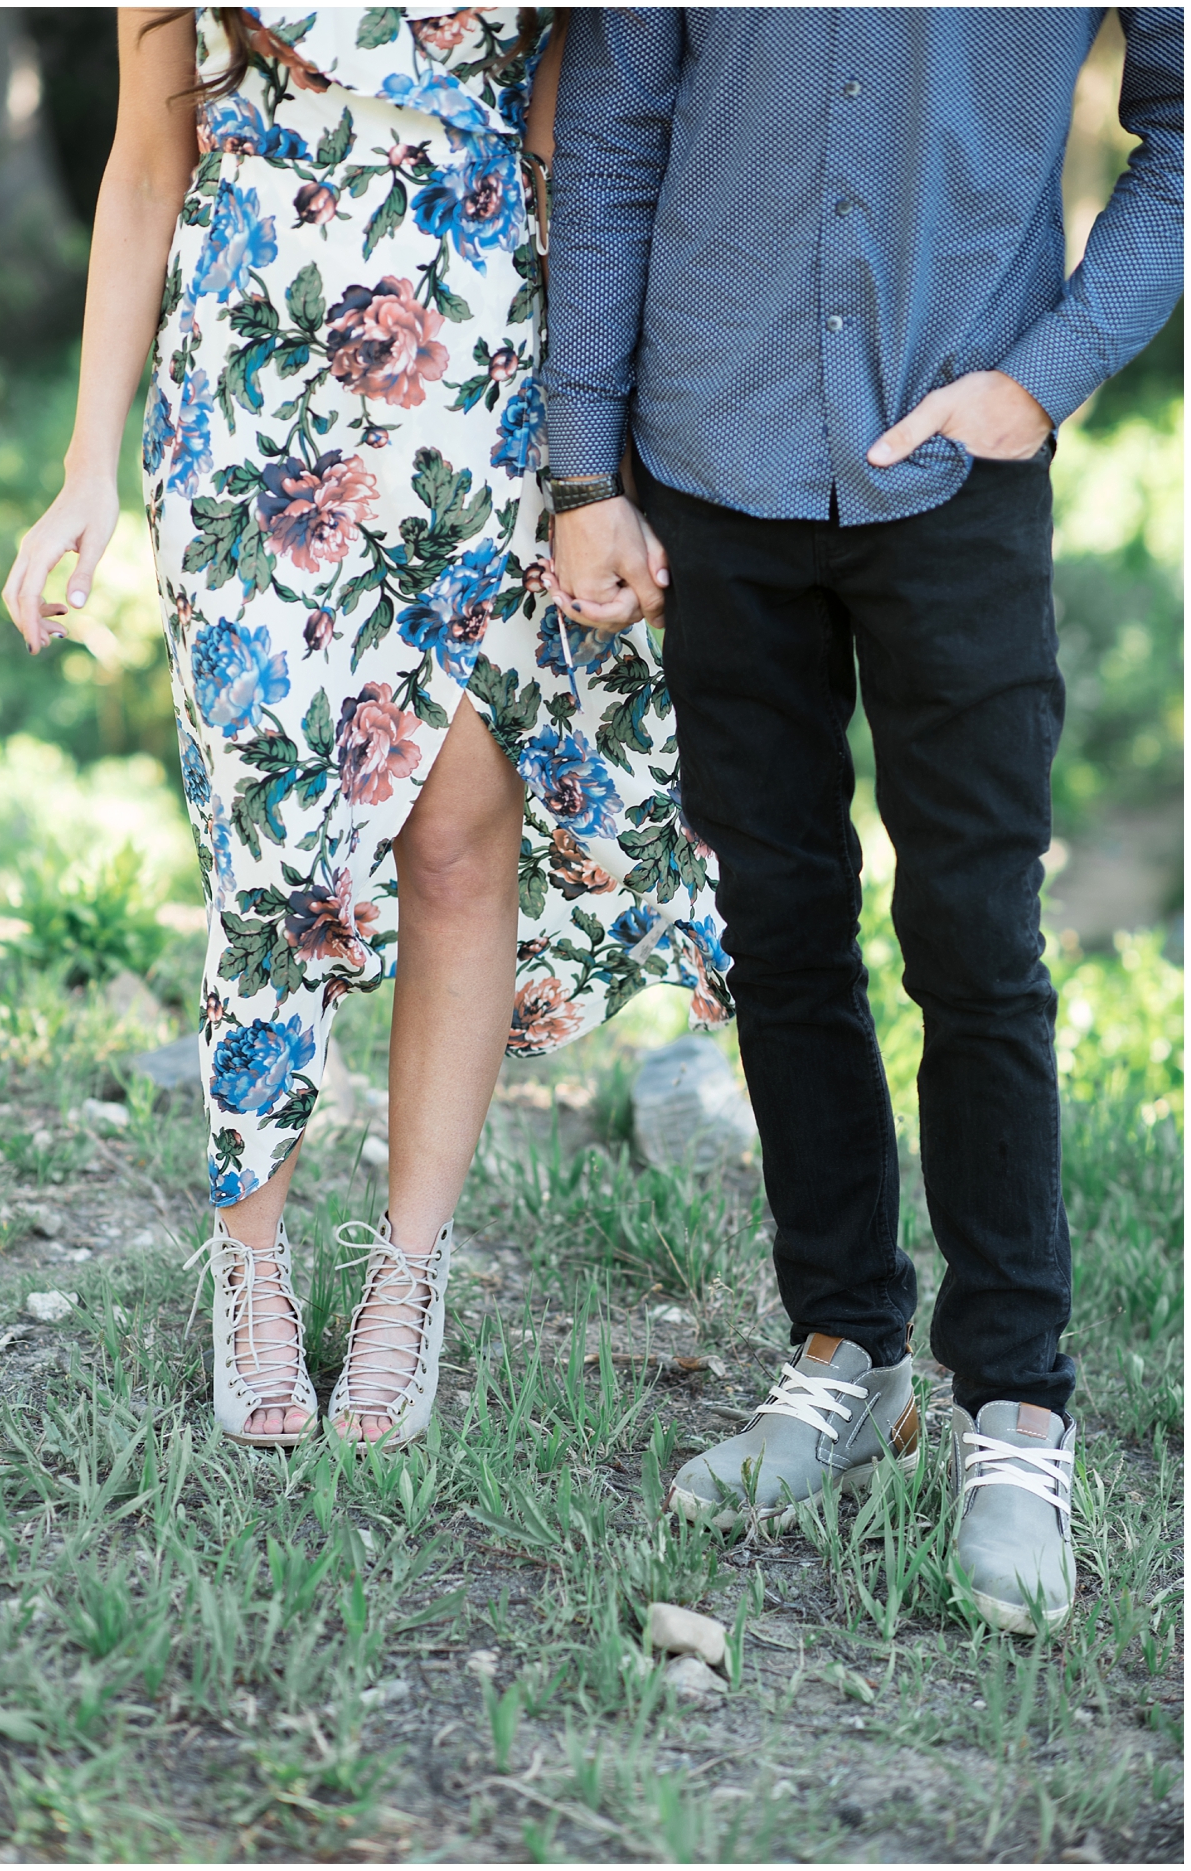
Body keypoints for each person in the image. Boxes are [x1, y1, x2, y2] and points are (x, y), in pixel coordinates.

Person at [2, 7, 732, 1451]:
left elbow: (572, 143)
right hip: (253, 372)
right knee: (275, 851)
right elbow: (148, 155)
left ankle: (408, 1273)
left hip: (484, 377)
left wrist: (605, 447)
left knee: (460, 840)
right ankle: (253, 1261)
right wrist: (87, 463)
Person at [545, 7, 1183, 1637]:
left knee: (974, 937)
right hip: (710, 449)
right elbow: (616, 136)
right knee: (779, 923)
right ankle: (842, 1352)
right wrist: (581, 469)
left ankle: (1016, 1410)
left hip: (955, 475)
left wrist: (1044, 378)